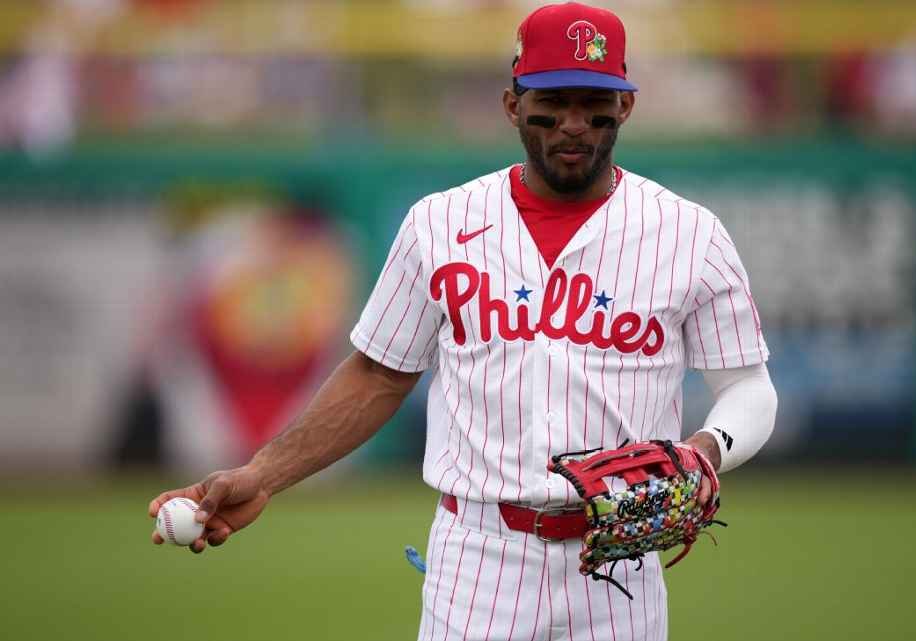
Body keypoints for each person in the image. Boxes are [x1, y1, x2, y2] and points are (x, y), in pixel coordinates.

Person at [147, 3, 778, 640]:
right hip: (479, 558)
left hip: (620, 563)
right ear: (513, 105)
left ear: (626, 107)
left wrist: (706, 450)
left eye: (594, 104)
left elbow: (748, 387)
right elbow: (377, 375)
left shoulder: (689, 235)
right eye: (552, 102)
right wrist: (261, 475)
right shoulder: (439, 224)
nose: (573, 123)